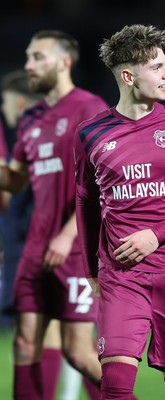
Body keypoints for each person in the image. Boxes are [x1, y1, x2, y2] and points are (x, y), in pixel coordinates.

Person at [74, 24, 165, 400]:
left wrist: (155, 235)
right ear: (128, 75)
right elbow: (86, 202)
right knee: (115, 389)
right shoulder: (90, 134)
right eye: (157, 67)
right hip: (121, 275)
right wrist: (89, 270)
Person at [0, 30, 108, 399]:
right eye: (28, 56)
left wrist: (67, 235)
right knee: (25, 343)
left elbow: (100, 185)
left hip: (75, 250)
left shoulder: (89, 109)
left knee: (77, 351)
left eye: (38, 57)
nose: (28, 64)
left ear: (65, 62)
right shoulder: (30, 118)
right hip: (34, 250)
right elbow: (14, 182)